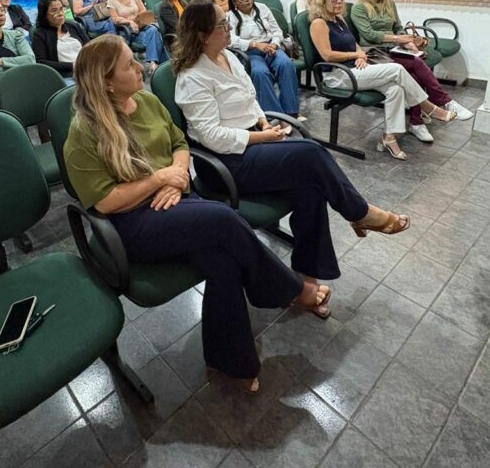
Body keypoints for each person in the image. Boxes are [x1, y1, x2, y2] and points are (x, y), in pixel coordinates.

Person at [65, 34, 333, 392]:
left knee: (224, 261)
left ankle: (228, 360)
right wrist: (159, 179)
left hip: (173, 199)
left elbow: (179, 143)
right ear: (107, 83)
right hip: (131, 223)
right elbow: (105, 202)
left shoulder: (146, 101)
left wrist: (175, 178)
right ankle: (288, 288)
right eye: (129, 64)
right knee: (224, 219)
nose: (141, 66)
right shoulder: (84, 133)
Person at [174, 0, 408, 270]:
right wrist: (262, 137)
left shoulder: (227, 56)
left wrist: (263, 124)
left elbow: (250, 99)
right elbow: (211, 136)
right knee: (311, 152)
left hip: (252, 142)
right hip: (224, 163)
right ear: (202, 34)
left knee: (311, 188)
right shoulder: (193, 76)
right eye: (222, 25)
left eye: (227, 22)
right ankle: (361, 212)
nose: (229, 28)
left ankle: (309, 277)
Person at [309, 0, 454, 160]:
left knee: (395, 89)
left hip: (355, 68)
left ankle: (389, 137)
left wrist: (361, 56)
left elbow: (354, 44)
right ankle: (430, 108)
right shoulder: (318, 23)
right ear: (322, 1)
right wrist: (355, 54)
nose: (339, 1)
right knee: (397, 69)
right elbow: (327, 55)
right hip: (338, 75)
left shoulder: (338, 19)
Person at [351, 0, 474, 143]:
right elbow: (369, 34)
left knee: (414, 73)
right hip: (375, 52)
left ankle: (417, 123)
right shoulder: (359, 8)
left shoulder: (389, 4)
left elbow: (398, 27)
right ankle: (444, 103)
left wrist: (407, 42)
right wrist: (398, 39)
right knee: (416, 63)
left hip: (394, 49)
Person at [227, 0, 300, 119]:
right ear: (235, 2)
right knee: (260, 73)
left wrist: (274, 44)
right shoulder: (231, 16)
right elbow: (230, 40)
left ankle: (291, 112)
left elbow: (277, 30)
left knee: (286, 64)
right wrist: (255, 44)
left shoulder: (263, 8)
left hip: (271, 47)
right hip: (250, 52)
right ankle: (275, 116)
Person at [107, 0, 169, 74]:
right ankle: (161, 65)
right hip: (128, 31)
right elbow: (114, 19)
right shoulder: (111, 1)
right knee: (156, 37)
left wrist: (134, 17)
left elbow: (143, 10)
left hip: (141, 25)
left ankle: (154, 64)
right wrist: (129, 21)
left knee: (154, 30)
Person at [31, 0, 88, 79]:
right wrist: (72, 65)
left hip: (86, 68)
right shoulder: (40, 34)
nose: (60, 13)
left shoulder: (73, 26)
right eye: (54, 11)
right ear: (44, 15)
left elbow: (89, 46)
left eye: (61, 9)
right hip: (64, 74)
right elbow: (41, 62)